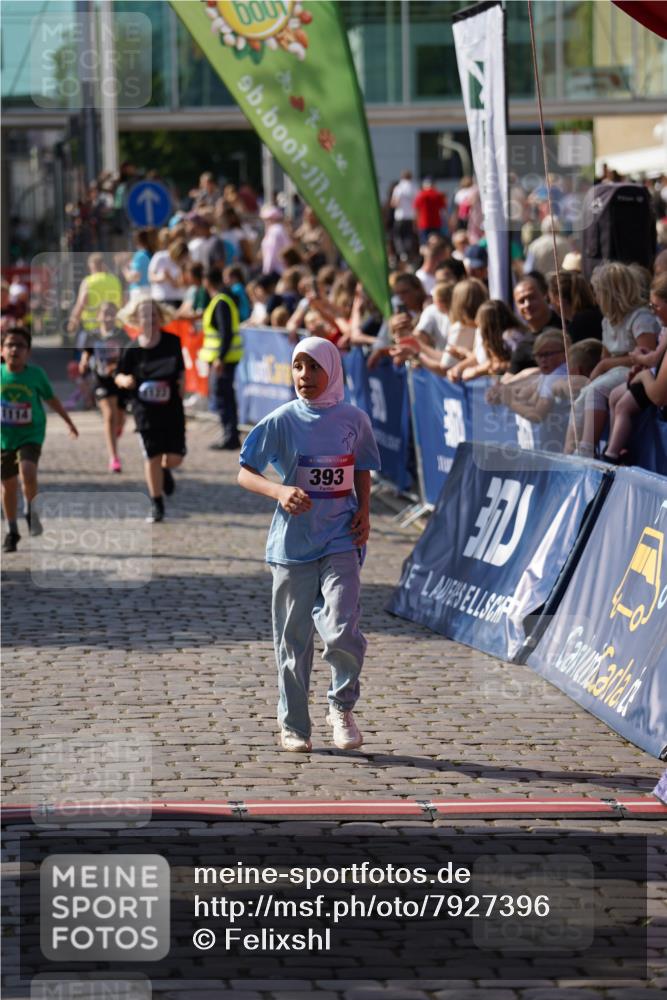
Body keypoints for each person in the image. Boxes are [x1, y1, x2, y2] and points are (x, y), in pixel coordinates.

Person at [237, 337, 381, 753]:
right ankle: (295, 725)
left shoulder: (354, 419)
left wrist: (365, 512)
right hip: (292, 545)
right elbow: (245, 472)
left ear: (332, 370)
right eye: (298, 367)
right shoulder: (281, 420)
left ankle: (341, 706)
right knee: (293, 639)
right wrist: (279, 492)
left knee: (341, 630)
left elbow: (362, 468)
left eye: (314, 367)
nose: (304, 376)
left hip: (341, 536)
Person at [569, 261, 660, 456]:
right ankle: (570, 450)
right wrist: (601, 367)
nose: (596, 298)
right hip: (614, 372)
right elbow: (606, 356)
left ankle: (587, 449)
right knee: (582, 396)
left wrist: (604, 365)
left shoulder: (640, 317)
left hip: (634, 371)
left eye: (598, 292)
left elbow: (647, 354)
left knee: (595, 391)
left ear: (612, 293)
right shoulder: (607, 321)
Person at [1, 327, 79, 552]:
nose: (14, 349)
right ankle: (12, 531)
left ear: (28, 352)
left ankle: (30, 510)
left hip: (31, 433)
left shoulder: (36, 375)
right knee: (8, 486)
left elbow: (51, 399)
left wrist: (68, 421)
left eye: (20, 345)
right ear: (2, 350)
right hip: (4, 438)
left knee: (28, 471)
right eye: (10, 345)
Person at [115, 296, 186, 523]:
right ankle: (156, 503)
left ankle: (165, 470)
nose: (150, 318)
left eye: (153, 314)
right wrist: (124, 380)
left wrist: (182, 385)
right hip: (144, 410)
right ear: (136, 319)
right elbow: (118, 374)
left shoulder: (173, 341)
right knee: (152, 455)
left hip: (171, 408)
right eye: (145, 314)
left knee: (174, 458)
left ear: (160, 316)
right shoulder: (131, 349)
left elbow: (181, 371)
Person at [603, 273, 667, 463]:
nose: (653, 311)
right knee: (615, 396)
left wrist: (642, 368)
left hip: (655, 382)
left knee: (622, 405)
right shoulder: (664, 328)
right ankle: (618, 447)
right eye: (650, 306)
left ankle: (612, 454)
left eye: (656, 306)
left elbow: (658, 395)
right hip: (654, 376)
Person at [79, 302, 132, 472]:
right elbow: (86, 352)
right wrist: (84, 362)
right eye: (104, 313)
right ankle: (114, 457)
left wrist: (117, 366)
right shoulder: (92, 335)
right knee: (109, 415)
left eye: (111, 313)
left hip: (119, 380)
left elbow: (130, 355)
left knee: (120, 417)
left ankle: (116, 429)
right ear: (99, 316)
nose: (108, 317)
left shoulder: (122, 335)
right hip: (101, 381)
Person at [200, 267, 243, 450]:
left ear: (207, 281)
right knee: (225, 396)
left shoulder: (221, 302)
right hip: (224, 358)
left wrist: (220, 358)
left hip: (223, 359)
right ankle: (229, 434)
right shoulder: (222, 300)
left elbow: (226, 333)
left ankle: (230, 436)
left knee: (223, 396)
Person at [486, 330, 569, 423]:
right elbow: (526, 392)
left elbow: (537, 415)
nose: (543, 360)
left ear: (565, 352)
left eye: (548, 354)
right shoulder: (551, 373)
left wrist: (509, 401)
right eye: (538, 355)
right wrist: (503, 391)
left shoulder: (555, 376)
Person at [67, 253, 122, 338]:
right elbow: (122, 302)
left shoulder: (88, 281)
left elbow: (81, 304)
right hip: (114, 327)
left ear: (91, 266)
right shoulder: (115, 280)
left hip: (93, 328)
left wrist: (72, 322)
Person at [391, 170, 418, 262]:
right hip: (411, 216)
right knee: (409, 236)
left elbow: (395, 202)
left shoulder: (399, 187)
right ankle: (408, 253)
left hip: (400, 216)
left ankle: (402, 253)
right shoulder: (414, 187)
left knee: (397, 235)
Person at [414, 177, 447, 243]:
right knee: (436, 243)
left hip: (424, 223)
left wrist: (416, 223)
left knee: (424, 243)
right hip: (436, 222)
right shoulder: (438, 195)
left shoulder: (421, 195)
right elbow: (443, 210)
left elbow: (416, 210)